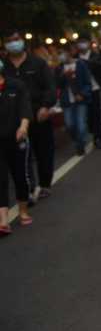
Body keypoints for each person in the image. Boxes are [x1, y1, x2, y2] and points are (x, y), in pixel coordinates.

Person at [3, 32, 57, 200]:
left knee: (44, 152)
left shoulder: (38, 63)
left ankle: (45, 184)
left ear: (22, 41)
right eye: (9, 41)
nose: (13, 43)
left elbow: (50, 87)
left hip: (38, 114)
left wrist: (46, 106)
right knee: (23, 156)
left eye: (16, 40)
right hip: (15, 120)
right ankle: (30, 188)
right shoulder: (3, 67)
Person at [0, 67, 33, 235]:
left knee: (20, 176)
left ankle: (23, 210)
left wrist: (23, 126)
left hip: (17, 138)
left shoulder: (16, 85)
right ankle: (3, 220)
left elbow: (25, 108)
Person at [58, 40, 94, 156]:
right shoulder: (59, 68)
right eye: (59, 53)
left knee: (81, 124)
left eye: (63, 53)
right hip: (67, 101)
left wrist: (82, 94)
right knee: (69, 125)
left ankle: (81, 145)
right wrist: (63, 76)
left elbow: (88, 83)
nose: (61, 56)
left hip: (80, 100)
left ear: (69, 53)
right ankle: (77, 140)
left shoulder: (80, 64)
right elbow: (56, 84)